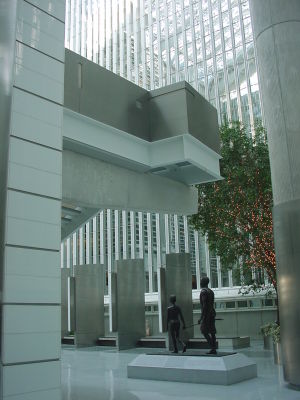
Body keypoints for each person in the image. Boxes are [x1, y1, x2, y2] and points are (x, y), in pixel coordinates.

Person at [198, 277, 217, 354]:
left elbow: (205, 305)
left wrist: (201, 317)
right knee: (212, 332)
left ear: (204, 283)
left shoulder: (203, 292)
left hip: (207, 315)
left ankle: (212, 347)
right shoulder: (211, 291)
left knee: (204, 331)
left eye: (201, 281)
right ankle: (214, 348)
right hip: (212, 313)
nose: (200, 283)